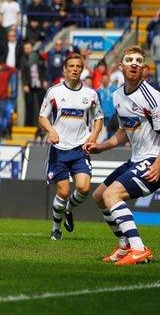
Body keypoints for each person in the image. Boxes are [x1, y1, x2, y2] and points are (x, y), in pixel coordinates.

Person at [84, 46, 156, 265]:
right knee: (99, 196)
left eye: (138, 60)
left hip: (154, 160)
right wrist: (101, 147)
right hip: (137, 159)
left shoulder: (152, 97)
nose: (134, 63)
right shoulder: (117, 96)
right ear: (121, 66)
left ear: (143, 67)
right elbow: (124, 131)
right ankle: (125, 247)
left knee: (112, 195)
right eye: (129, 59)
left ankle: (138, 248)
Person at [38, 53, 104, 241]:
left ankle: (68, 209)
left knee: (83, 188)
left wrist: (94, 136)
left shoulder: (90, 94)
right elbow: (42, 116)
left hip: (79, 149)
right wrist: (50, 131)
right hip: (59, 149)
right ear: (64, 70)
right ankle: (55, 228)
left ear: (81, 70)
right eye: (71, 66)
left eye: (78, 66)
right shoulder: (54, 92)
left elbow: (99, 117)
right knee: (64, 191)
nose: (75, 69)